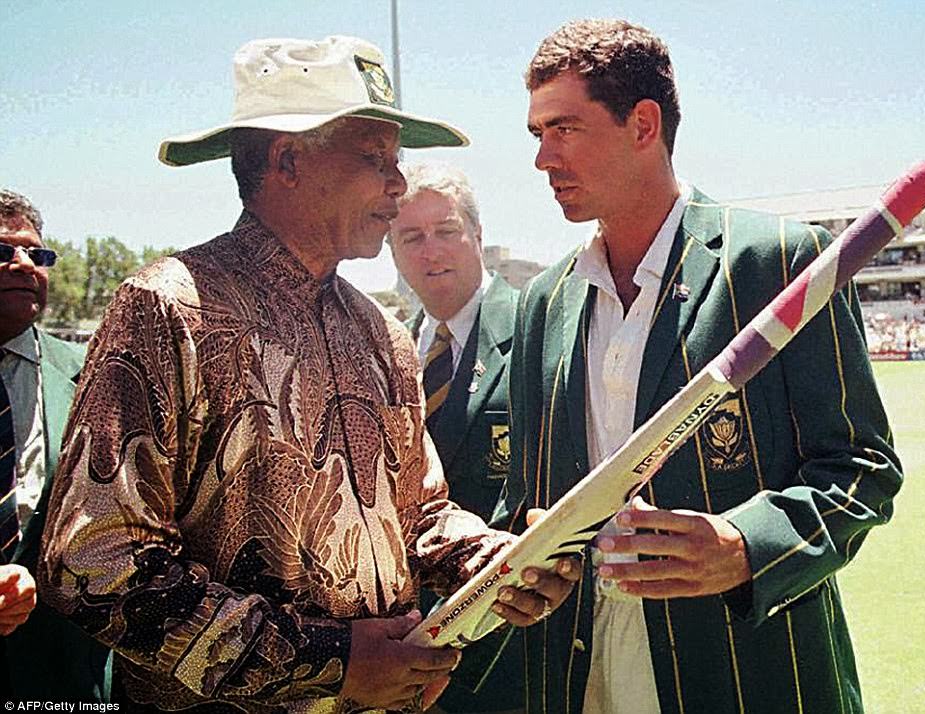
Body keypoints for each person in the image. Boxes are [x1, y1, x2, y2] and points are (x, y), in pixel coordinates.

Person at [38, 37, 576, 712]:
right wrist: (331, 662)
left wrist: (493, 563)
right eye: (373, 157)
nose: (398, 185)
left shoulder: (381, 334)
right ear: (287, 159)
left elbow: (421, 512)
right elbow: (94, 563)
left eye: (396, 161)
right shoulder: (170, 309)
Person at [504, 19, 902, 714]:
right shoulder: (542, 302)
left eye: (563, 129)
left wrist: (747, 544)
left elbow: (863, 470)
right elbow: (523, 503)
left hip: (747, 674)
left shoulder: (777, 261)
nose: (543, 159)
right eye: (537, 134)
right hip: (578, 676)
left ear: (643, 124)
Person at [388, 163, 522, 714]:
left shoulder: (537, 330)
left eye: (446, 231)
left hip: (506, 649)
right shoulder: (387, 348)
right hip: (406, 652)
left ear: (477, 236)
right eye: (411, 237)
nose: (431, 251)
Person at [0, 189, 112, 700]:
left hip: (61, 675)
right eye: (4, 251)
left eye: (37, 254)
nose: (24, 264)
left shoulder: (92, 373)